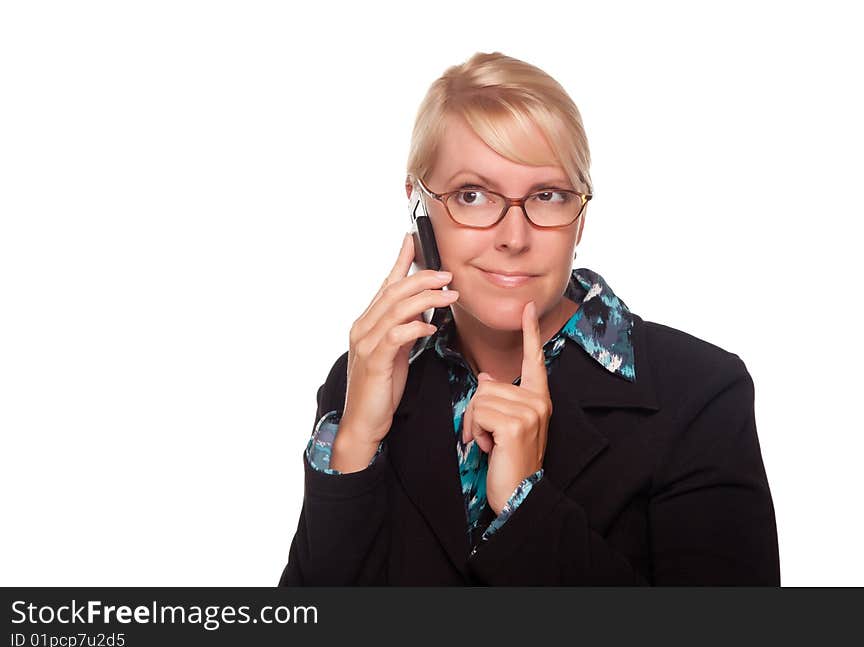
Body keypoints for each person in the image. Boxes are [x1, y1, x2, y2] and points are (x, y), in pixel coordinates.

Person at [278, 51, 780, 586]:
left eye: (548, 195)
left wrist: (527, 510)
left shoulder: (699, 393)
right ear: (419, 207)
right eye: (471, 196)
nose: (513, 238)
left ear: (580, 217)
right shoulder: (360, 381)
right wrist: (355, 442)